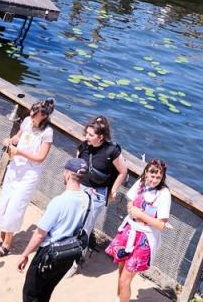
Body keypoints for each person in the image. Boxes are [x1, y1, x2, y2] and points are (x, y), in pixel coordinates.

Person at [17, 158, 91, 302]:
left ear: (68, 174)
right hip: (68, 254)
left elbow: (39, 234)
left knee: (31, 293)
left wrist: (25, 254)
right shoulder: (87, 198)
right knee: (46, 291)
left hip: (49, 253)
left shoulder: (59, 202)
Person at [0, 98, 55, 258]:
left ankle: (7, 244)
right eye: (32, 112)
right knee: (5, 201)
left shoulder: (47, 132)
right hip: (15, 168)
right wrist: (10, 140)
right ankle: (1, 236)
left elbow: (40, 157)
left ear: (44, 116)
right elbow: (18, 137)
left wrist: (19, 152)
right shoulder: (26, 121)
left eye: (35, 114)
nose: (31, 115)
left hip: (29, 174)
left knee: (15, 206)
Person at [105, 159, 171, 302]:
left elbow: (161, 225)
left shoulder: (164, 194)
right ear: (146, 173)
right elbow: (130, 200)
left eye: (158, 177)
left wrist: (141, 215)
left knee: (125, 280)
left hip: (144, 240)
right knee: (121, 271)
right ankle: (119, 298)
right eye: (152, 176)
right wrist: (131, 209)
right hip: (129, 233)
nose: (154, 180)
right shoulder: (141, 183)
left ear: (162, 177)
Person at [76, 116, 127, 250]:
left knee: (86, 227)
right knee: (73, 221)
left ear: (101, 137)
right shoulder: (83, 146)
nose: (86, 137)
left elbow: (122, 171)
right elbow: (75, 165)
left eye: (90, 135)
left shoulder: (111, 151)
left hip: (97, 193)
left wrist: (113, 190)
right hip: (79, 188)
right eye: (86, 133)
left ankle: (77, 258)